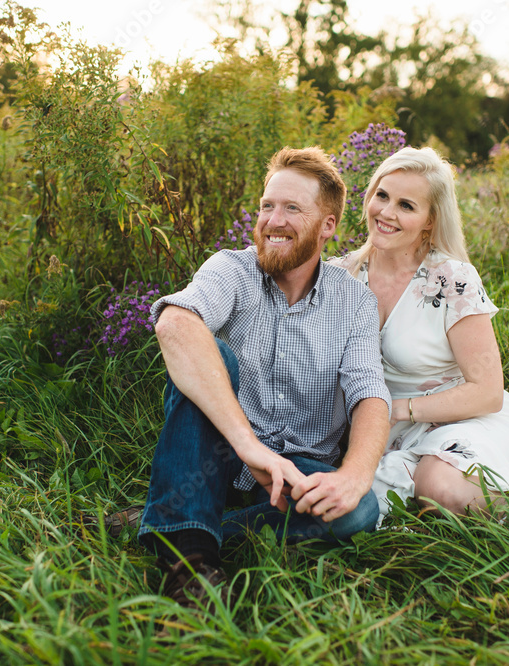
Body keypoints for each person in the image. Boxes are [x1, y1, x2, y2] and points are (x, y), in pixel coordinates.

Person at [137, 146, 392, 608]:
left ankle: (177, 522)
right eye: (267, 206)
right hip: (217, 453)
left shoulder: (355, 302)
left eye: (292, 208)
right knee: (210, 351)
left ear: (327, 226)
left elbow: (369, 395)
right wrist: (248, 446)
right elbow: (174, 324)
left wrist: (355, 475)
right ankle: (191, 565)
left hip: (296, 468)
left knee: (360, 513)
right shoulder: (231, 269)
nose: (273, 220)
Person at [329, 146, 509, 533]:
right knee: (359, 510)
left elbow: (487, 392)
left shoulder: (451, 279)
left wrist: (393, 408)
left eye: (406, 205)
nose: (386, 212)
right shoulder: (340, 276)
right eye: (382, 195)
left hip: (467, 422)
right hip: (386, 436)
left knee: (439, 483)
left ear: (430, 220)